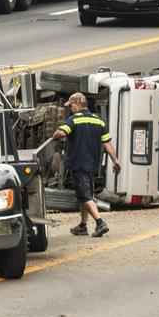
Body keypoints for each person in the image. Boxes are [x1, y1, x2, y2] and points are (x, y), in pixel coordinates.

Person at [52, 93, 121, 237]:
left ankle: (100, 222)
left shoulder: (74, 120)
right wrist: (115, 160)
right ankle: (83, 226)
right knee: (85, 195)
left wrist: (55, 134)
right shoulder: (99, 121)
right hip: (93, 164)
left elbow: (61, 133)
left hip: (79, 163)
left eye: (71, 105)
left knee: (85, 195)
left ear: (77, 103)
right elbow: (107, 143)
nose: (70, 108)